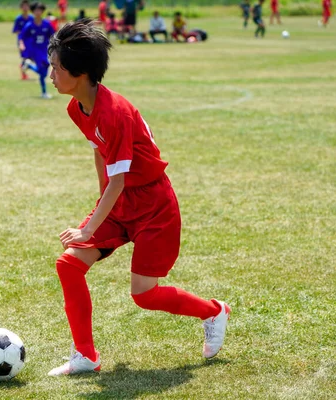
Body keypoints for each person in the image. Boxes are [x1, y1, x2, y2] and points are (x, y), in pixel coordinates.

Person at [46, 19, 231, 376]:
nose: (50, 73)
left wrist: (88, 229)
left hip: (153, 205)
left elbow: (119, 181)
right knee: (69, 265)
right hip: (120, 202)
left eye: (56, 67)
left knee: (143, 295)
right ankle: (85, 356)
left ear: (80, 72)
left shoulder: (114, 113)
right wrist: (101, 206)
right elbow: (102, 156)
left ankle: (214, 311)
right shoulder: (77, 108)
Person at [19, 2, 55, 99]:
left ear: (42, 11)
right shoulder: (29, 25)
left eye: (40, 10)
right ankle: (44, 93)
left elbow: (54, 35)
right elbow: (21, 36)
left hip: (45, 50)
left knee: (44, 71)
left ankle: (29, 65)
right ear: (33, 11)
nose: (38, 12)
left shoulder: (47, 24)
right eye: (36, 10)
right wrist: (21, 44)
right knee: (43, 72)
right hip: (34, 50)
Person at [13, 1, 33, 80]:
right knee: (25, 57)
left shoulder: (32, 18)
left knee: (30, 57)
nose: (25, 8)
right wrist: (23, 35)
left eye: (27, 6)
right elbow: (16, 30)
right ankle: (23, 74)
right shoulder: (18, 19)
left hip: (30, 41)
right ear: (21, 8)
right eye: (24, 6)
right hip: (22, 41)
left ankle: (23, 67)